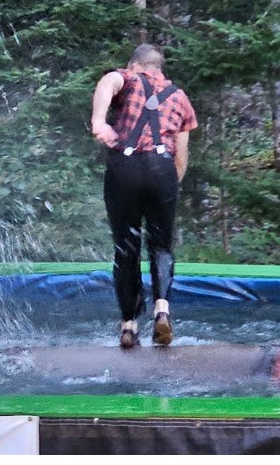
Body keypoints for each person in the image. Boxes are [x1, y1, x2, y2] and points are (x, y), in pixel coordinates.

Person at [89, 42, 197, 348]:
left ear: (136, 66)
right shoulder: (180, 97)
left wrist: (99, 120)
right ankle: (162, 309)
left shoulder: (129, 78)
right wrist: (168, 186)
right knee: (161, 245)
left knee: (126, 248)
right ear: (160, 69)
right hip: (162, 169)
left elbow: (108, 81)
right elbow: (182, 155)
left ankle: (129, 326)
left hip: (125, 167)